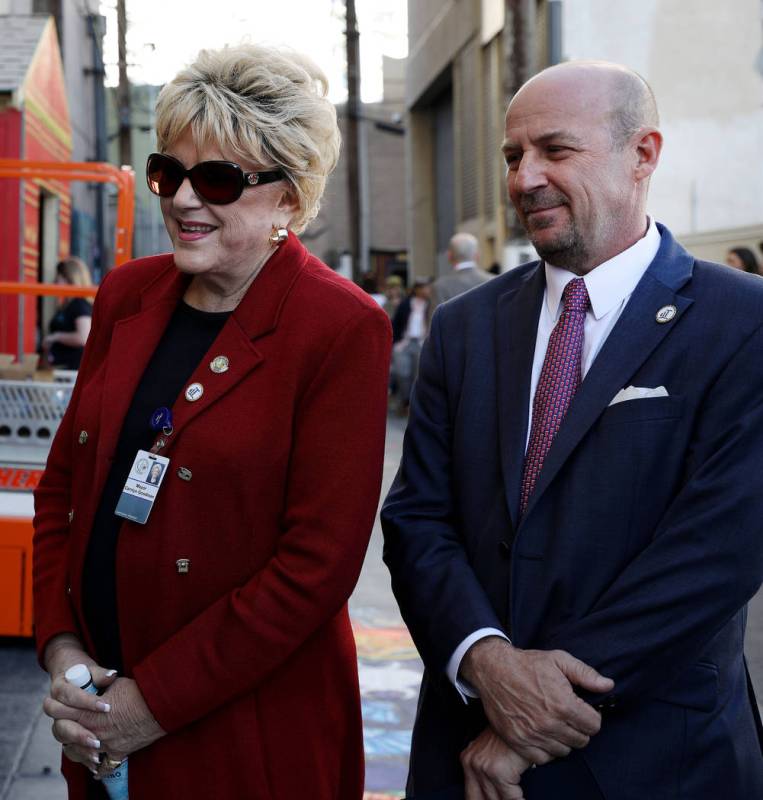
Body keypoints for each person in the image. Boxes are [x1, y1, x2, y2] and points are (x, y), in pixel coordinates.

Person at [381, 60, 763, 800]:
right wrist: (486, 663)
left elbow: (714, 553)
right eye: (511, 156)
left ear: (642, 154)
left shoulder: (742, 322)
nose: (524, 178)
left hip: (655, 760)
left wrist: (534, 713)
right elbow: (417, 519)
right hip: (466, 752)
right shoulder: (464, 329)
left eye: (555, 150)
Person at [33, 43, 391, 800]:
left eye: (219, 179)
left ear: (288, 199)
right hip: (95, 723)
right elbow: (63, 488)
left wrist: (150, 704)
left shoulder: (338, 325)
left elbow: (315, 567)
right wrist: (62, 649)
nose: (184, 199)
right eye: (169, 172)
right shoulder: (127, 295)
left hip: (245, 739)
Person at [43, 257, 94, 370]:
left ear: (70, 279)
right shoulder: (68, 305)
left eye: (59, 278)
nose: (55, 282)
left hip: (71, 372)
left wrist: (56, 337)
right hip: (63, 369)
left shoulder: (79, 304)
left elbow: (83, 337)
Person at [390, 278, 431, 413]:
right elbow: (396, 323)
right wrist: (395, 342)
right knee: (402, 373)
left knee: (418, 375)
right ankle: (405, 400)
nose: (426, 290)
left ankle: (414, 405)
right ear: (416, 289)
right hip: (404, 343)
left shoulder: (431, 304)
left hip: (422, 343)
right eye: (423, 287)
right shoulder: (406, 303)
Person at [429, 233, 493, 319]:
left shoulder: (440, 286)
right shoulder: (493, 281)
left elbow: (434, 325)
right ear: (477, 255)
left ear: (449, 256)